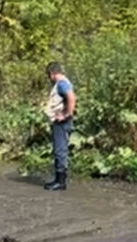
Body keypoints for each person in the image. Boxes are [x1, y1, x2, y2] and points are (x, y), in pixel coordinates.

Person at [43, 62, 76, 191]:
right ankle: (59, 179)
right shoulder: (64, 82)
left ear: (52, 73)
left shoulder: (62, 83)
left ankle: (60, 182)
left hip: (61, 122)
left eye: (48, 75)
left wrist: (66, 114)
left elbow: (71, 98)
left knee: (59, 150)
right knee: (60, 149)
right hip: (61, 121)